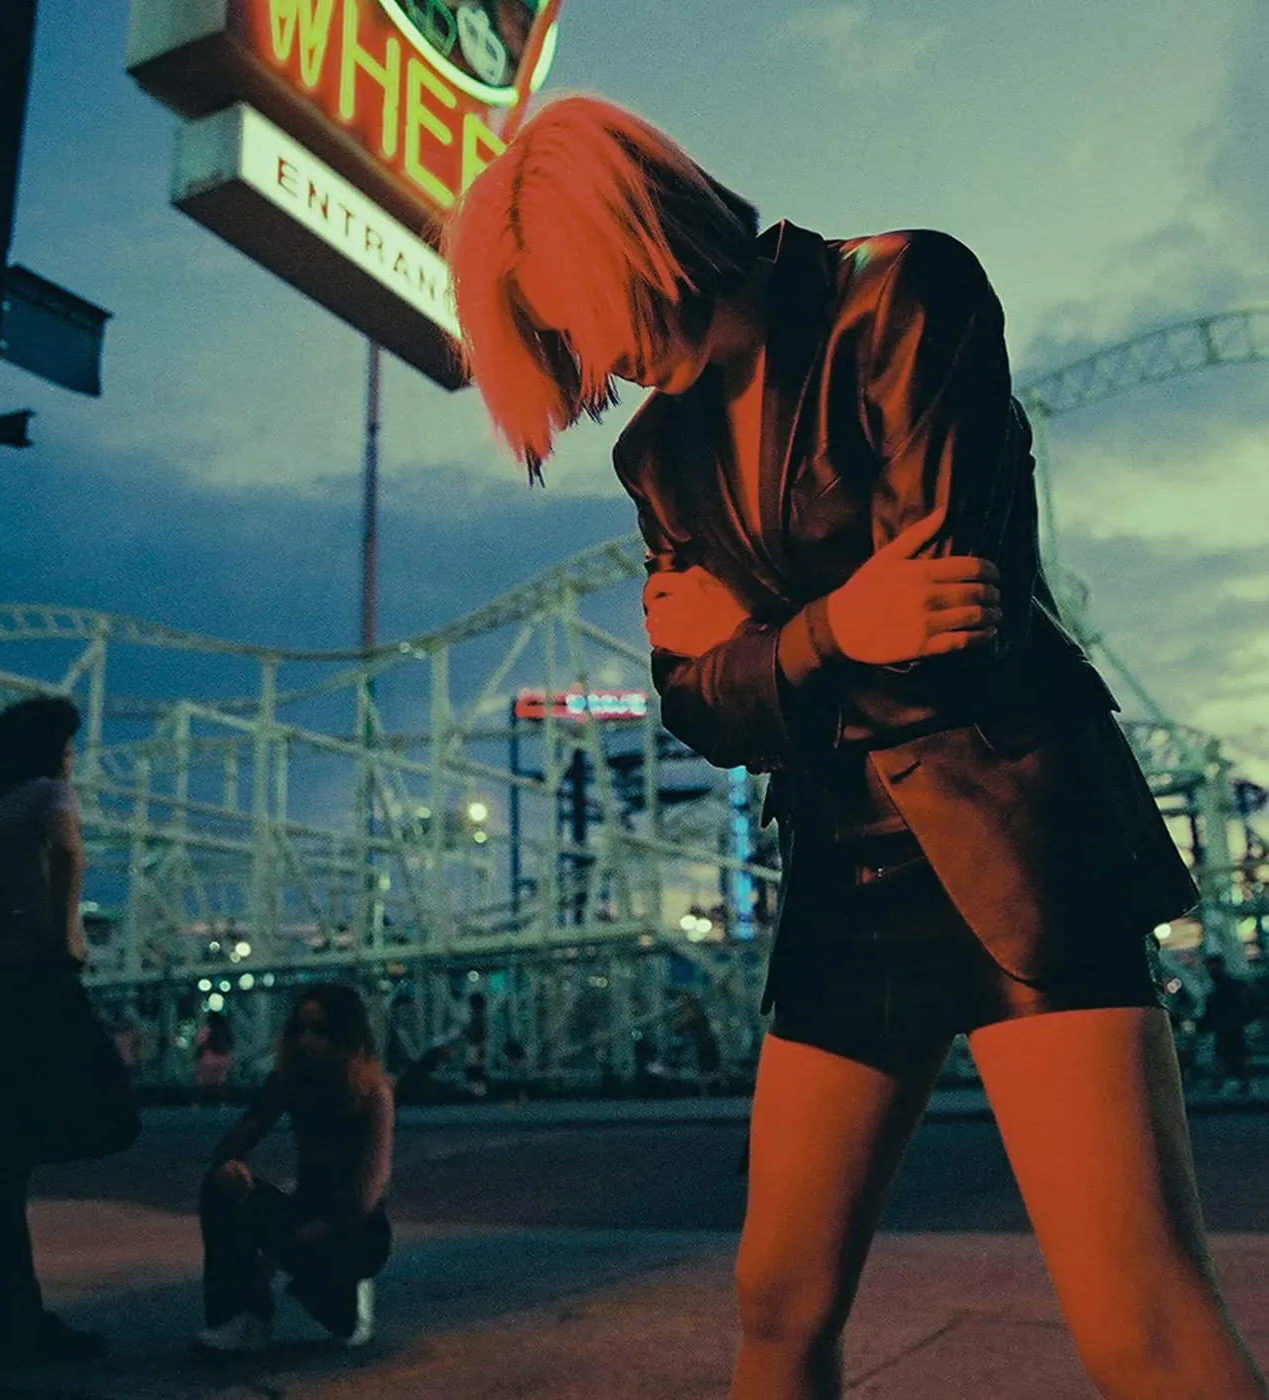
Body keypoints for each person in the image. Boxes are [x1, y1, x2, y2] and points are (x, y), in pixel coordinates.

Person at [442, 95, 1268, 1399]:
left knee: (1141, 1323)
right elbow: (699, 708)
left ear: (639, 235)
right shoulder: (658, 455)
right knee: (775, 1298)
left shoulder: (902, 296)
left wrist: (756, 637)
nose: (589, 357)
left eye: (577, 313)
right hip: (846, 872)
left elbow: (949, 624)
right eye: (554, 338)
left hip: (1013, 846)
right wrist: (832, 627)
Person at [0, 696, 139, 1370]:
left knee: (3, 1172)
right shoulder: (49, 794)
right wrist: (67, 937)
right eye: (66, 743)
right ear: (45, 748)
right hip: (43, 978)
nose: (71, 755)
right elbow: (67, 850)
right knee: (113, 1106)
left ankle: (16, 1326)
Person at [194, 983, 394, 1353]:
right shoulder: (291, 1082)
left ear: (344, 1035)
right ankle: (241, 1320)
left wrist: (317, 1228)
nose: (305, 1040)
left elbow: (371, 1186)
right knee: (219, 1188)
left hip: (356, 1230)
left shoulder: (373, 1093)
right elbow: (248, 1128)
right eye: (300, 1029)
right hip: (305, 1211)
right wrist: (229, 1164)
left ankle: (352, 1299)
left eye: (319, 1031)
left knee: (337, 1319)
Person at [1200, 954, 1256, 1096]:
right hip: (1230, 1026)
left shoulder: (1220, 986)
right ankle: (1240, 1082)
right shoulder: (1227, 984)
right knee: (1232, 1055)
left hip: (1229, 1026)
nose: (1210, 969)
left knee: (1229, 1054)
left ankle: (1227, 1082)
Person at [195, 1009, 236, 1100]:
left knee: (202, 1083)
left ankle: (199, 1103)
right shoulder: (226, 1030)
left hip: (207, 1060)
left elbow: (199, 1045)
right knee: (221, 1083)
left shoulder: (205, 1030)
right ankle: (223, 1103)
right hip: (224, 1060)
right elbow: (231, 1044)